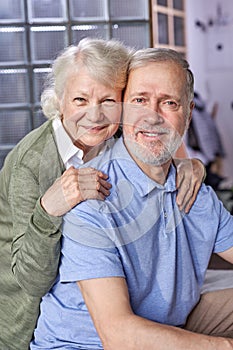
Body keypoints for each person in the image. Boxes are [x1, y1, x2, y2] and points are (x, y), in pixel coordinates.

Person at [0, 38, 204, 350]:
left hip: (122, 307)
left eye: (108, 100)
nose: (95, 117)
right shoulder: (31, 164)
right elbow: (31, 283)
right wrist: (48, 210)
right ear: (60, 99)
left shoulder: (120, 131)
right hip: (35, 325)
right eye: (80, 100)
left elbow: (161, 120)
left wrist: (187, 162)